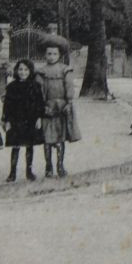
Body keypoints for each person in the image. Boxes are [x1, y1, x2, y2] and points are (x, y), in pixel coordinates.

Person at [34, 45, 75, 178]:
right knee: (47, 138)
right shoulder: (41, 72)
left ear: (59, 55)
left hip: (61, 107)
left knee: (60, 138)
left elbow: (69, 86)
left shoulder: (65, 70)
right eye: (49, 54)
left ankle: (60, 165)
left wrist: (69, 102)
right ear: (45, 55)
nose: (51, 57)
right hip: (46, 107)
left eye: (54, 54)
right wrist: (41, 106)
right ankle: (48, 166)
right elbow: (38, 90)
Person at [2, 59, 42, 182]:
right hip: (16, 120)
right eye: (20, 69)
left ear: (30, 71)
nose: (23, 72)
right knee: (16, 146)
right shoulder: (12, 87)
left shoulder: (35, 86)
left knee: (29, 146)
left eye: (26, 70)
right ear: (16, 71)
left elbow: (40, 103)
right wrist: (7, 120)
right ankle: (12, 172)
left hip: (30, 120)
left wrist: (39, 118)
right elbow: (7, 105)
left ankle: (29, 172)